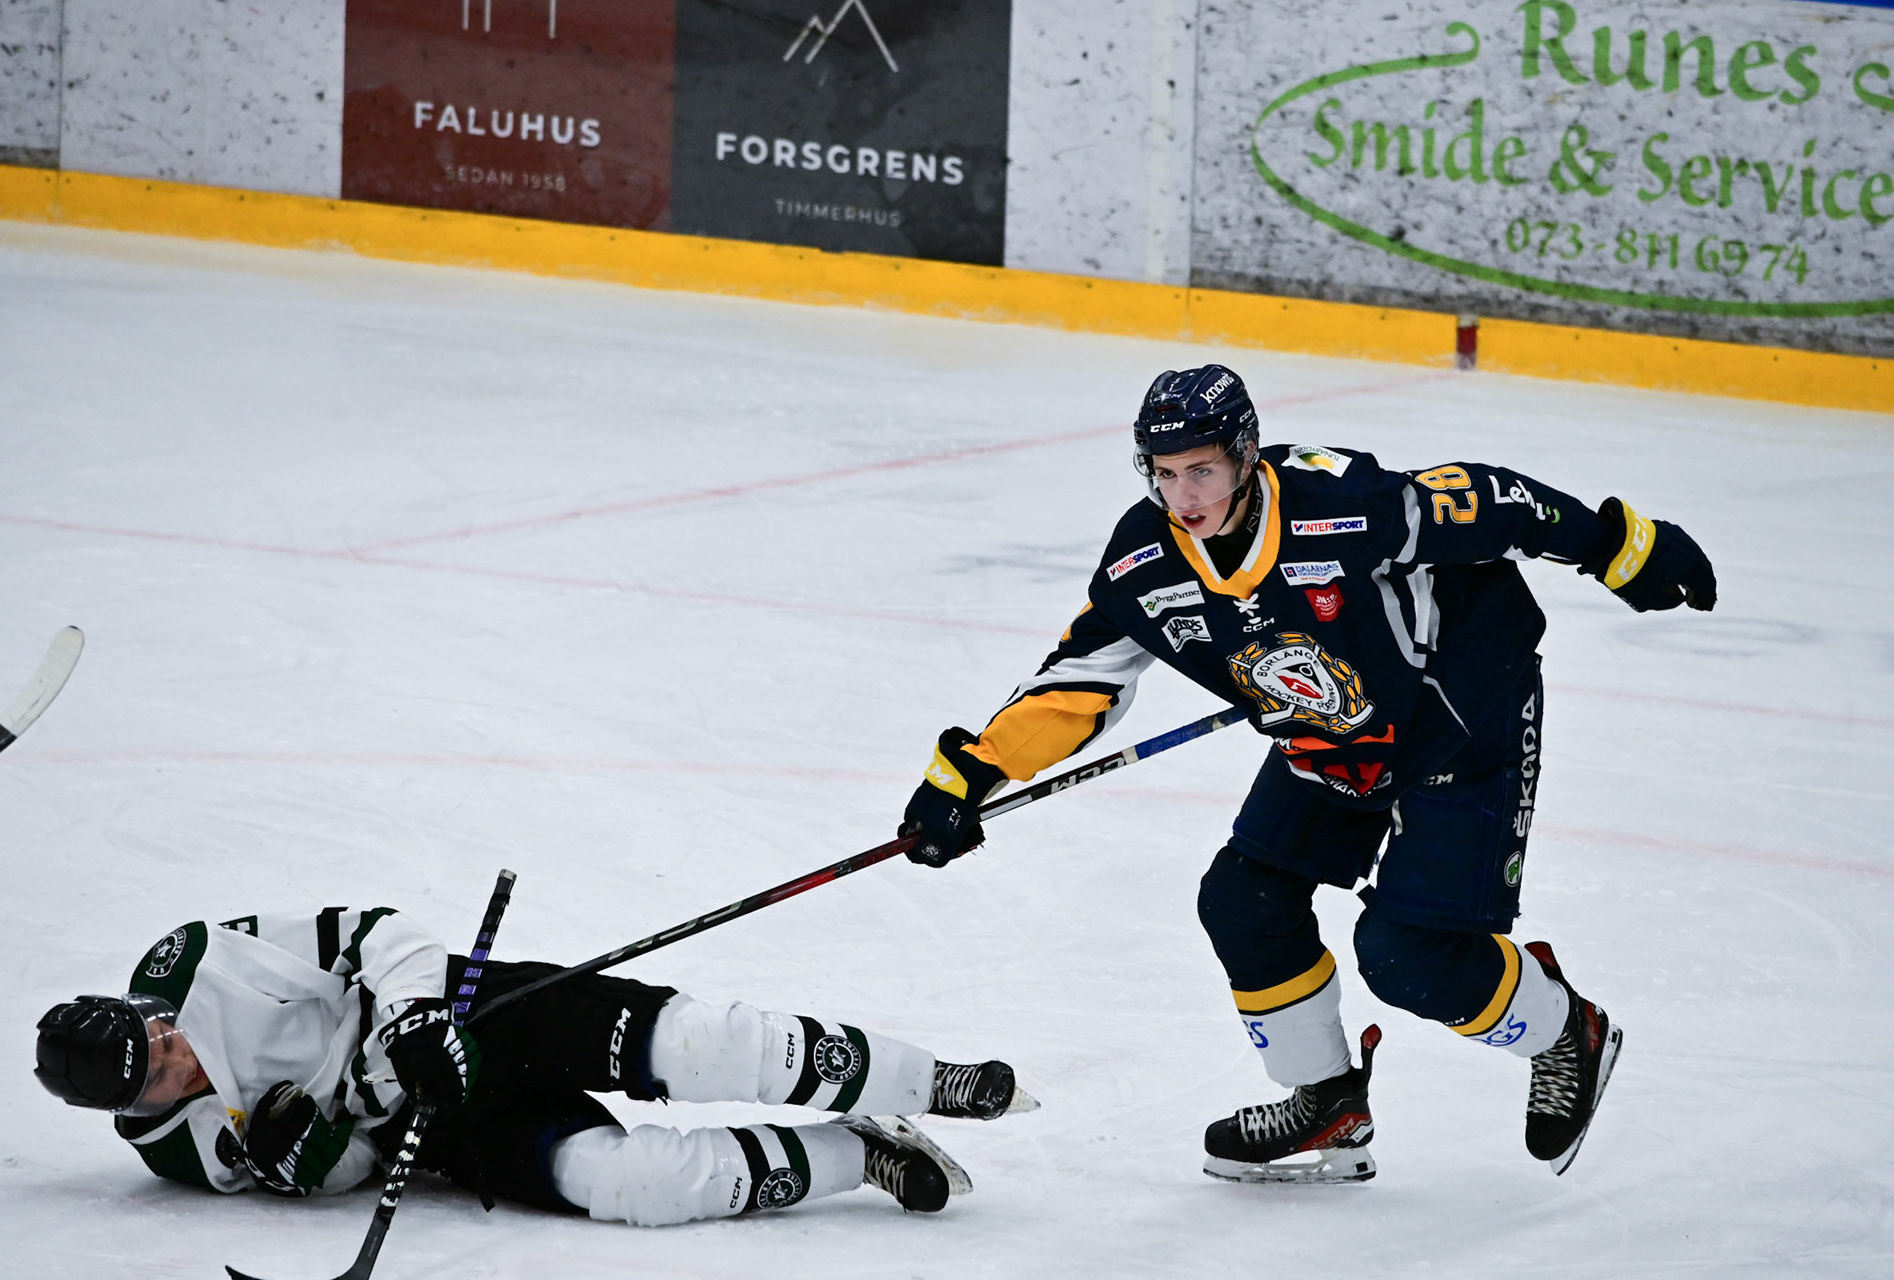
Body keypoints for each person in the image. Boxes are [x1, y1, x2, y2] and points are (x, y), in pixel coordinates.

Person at [898, 363, 1715, 1184]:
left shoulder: (1341, 502)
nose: (1184, 495)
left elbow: (1487, 500)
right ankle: (1328, 1101)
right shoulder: (1143, 561)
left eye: (1202, 470)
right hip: (1333, 737)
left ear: (1245, 455)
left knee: (1407, 956)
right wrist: (969, 774)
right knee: (1243, 901)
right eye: (1166, 474)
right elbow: (1080, 680)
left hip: (1461, 717)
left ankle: (1565, 1032)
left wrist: (1616, 546)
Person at [33, 904, 1031, 1224]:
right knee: (633, 1185)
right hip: (441, 1125)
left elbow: (379, 931)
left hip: (476, 1012)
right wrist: (323, 1158)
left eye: (159, 1032)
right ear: (131, 1106)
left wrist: (414, 1017)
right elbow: (346, 1172)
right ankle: (862, 1150)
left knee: (701, 1043)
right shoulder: (183, 1152)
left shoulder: (196, 957)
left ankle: (930, 1080)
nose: (176, 1053)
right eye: (157, 1072)